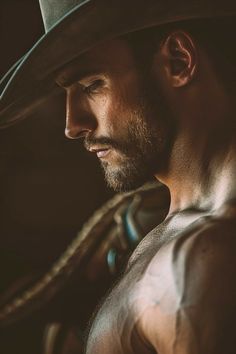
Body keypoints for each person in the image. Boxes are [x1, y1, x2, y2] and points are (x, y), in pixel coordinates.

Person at [1, 0, 236, 353]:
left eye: (92, 84)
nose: (73, 125)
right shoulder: (186, 240)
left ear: (178, 61)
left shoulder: (199, 263)